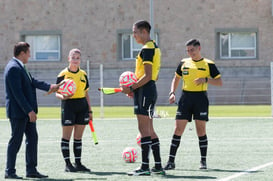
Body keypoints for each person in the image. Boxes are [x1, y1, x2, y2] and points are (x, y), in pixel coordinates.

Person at [4, 42, 61, 179]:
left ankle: (31, 170)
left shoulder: (20, 67)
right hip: (19, 113)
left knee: (32, 138)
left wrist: (51, 86)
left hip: (26, 112)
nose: (30, 55)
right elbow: (17, 94)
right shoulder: (13, 68)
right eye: (28, 52)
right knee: (16, 141)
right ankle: (9, 171)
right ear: (22, 53)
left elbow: (32, 82)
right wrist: (29, 111)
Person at [164, 39, 223, 170]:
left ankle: (203, 161)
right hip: (185, 98)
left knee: (200, 130)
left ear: (199, 48)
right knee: (178, 129)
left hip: (200, 98)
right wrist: (172, 92)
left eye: (192, 50)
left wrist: (205, 79)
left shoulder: (209, 64)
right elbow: (176, 78)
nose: (190, 53)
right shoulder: (184, 63)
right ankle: (170, 161)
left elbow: (219, 82)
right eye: (188, 51)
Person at [122, 20, 165, 176]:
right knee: (150, 129)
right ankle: (158, 166)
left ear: (144, 32)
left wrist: (132, 87)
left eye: (135, 32)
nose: (133, 35)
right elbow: (154, 76)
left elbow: (147, 75)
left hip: (145, 91)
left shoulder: (147, 49)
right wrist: (136, 89)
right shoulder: (154, 47)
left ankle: (145, 167)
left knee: (144, 129)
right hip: (147, 90)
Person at [55, 48, 92, 173]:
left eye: (78, 58)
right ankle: (67, 164)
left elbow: (86, 93)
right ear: (68, 59)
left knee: (78, 137)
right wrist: (63, 96)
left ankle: (78, 163)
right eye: (73, 57)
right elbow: (56, 93)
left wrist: (90, 110)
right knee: (67, 137)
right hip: (68, 106)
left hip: (82, 106)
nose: (75, 60)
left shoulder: (83, 74)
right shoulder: (63, 74)